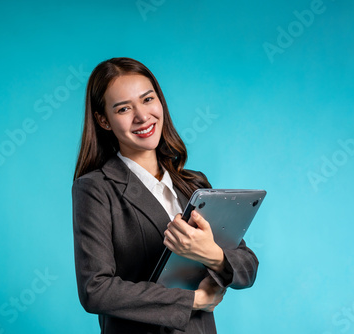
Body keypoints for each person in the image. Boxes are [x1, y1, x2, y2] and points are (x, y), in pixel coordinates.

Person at [72, 57, 258, 334]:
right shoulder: (96, 188)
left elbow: (247, 267)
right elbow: (95, 289)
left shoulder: (194, 185)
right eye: (124, 108)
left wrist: (214, 256)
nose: (142, 116)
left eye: (147, 100)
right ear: (104, 120)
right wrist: (193, 300)